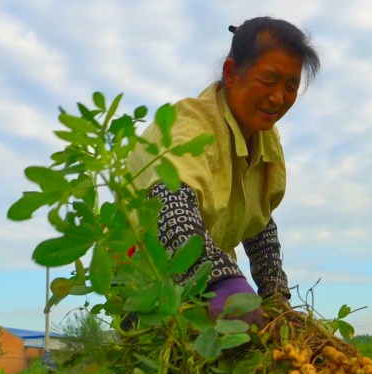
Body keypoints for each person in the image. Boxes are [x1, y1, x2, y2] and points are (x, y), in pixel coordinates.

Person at [127, 17, 320, 328]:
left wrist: (275, 295)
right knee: (167, 369)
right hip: (146, 275)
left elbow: (257, 223)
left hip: (205, 272)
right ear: (231, 73)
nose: (278, 98)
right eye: (269, 80)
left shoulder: (264, 138)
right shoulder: (188, 127)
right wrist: (221, 279)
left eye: (291, 86)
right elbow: (170, 205)